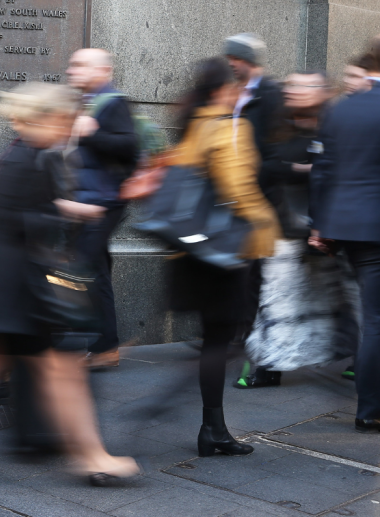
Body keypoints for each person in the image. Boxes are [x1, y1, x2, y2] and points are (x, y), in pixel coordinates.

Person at [0, 82, 141, 484]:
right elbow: (28, 221)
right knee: (62, 372)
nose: (68, 127)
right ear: (44, 118)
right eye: (63, 119)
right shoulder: (36, 158)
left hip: (1, 283)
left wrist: (74, 209)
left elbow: (18, 211)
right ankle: (93, 457)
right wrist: (74, 216)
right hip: (20, 287)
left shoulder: (18, 152)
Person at [167, 57, 279, 456]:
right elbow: (239, 189)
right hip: (225, 249)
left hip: (195, 249)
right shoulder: (229, 128)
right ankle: (209, 428)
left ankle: (212, 427)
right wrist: (268, 229)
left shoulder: (192, 124)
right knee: (221, 340)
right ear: (223, 91)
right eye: (234, 89)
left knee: (215, 338)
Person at [236, 71, 359, 389]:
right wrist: (306, 168)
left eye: (302, 86)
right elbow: (265, 166)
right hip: (284, 227)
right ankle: (268, 366)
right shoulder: (278, 124)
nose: (292, 91)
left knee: (341, 299)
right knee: (278, 300)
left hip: (331, 227)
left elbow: (340, 169)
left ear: (322, 92)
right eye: (290, 85)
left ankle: (359, 358)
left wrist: (305, 169)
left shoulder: (334, 123)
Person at [309, 35, 380, 433]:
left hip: (350, 228)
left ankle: (371, 408)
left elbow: (324, 171)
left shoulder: (342, 109)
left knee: (374, 318)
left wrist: (320, 224)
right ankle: (370, 408)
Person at [66, 48, 138, 368]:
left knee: (83, 268)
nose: (72, 71)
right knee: (95, 272)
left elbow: (128, 147)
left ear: (103, 70)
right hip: (87, 200)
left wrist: (91, 133)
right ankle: (106, 346)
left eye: (80, 65)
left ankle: (104, 346)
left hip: (102, 202)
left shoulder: (113, 102)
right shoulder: (87, 102)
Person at [223, 33, 286, 373]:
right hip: (230, 198)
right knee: (237, 270)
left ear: (249, 60)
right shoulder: (233, 94)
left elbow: (273, 152)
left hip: (258, 199)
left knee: (254, 274)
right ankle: (236, 331)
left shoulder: (271, 94)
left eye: (235, 58)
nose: (231, 63)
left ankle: (247, 335)